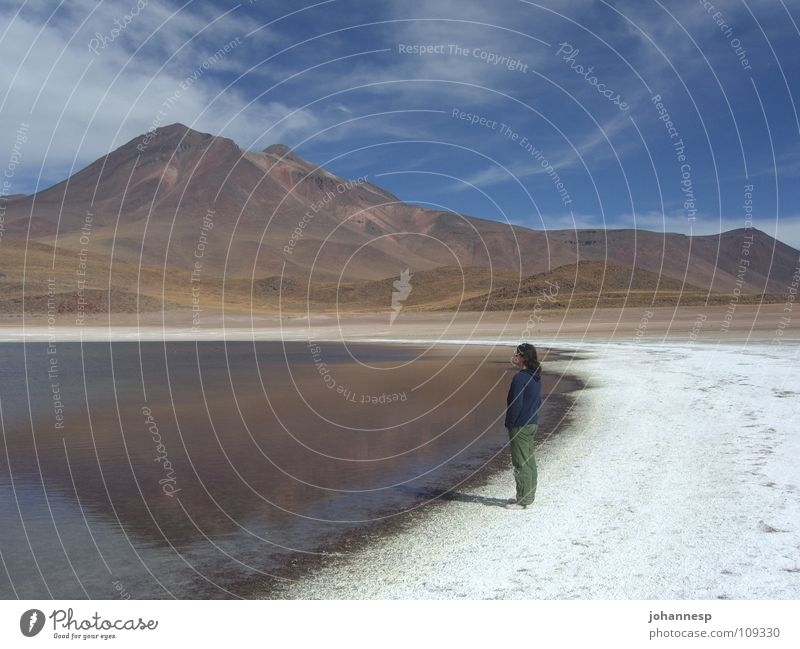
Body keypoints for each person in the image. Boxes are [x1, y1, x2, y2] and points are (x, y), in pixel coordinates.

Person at [504, 342, 542, 510]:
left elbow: (515, 404)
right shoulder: (535, 376)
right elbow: (537, 401)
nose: (515, 357)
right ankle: (528, 495)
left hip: (520, 425)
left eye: (517, 354)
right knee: (529, 460)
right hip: (531, 423)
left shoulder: (520, 377)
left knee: (520, 462)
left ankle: (523, 499)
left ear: (523, 358)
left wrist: (510, 423)